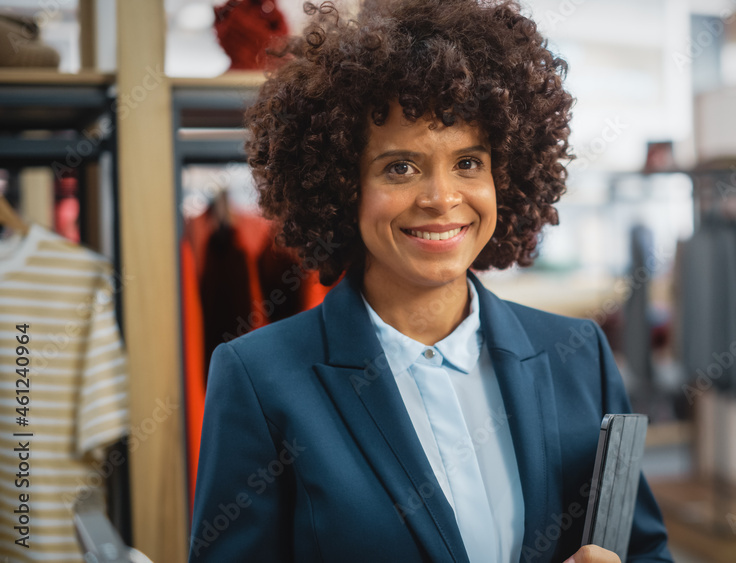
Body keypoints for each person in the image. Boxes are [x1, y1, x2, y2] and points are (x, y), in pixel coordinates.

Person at [188, 0, 673, 562]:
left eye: (469, 162)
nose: (442, 199)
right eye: (400, 167)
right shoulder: (260, 379)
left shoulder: (576, 354)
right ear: (343, 185)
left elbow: (642, 550)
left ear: (505, 174)